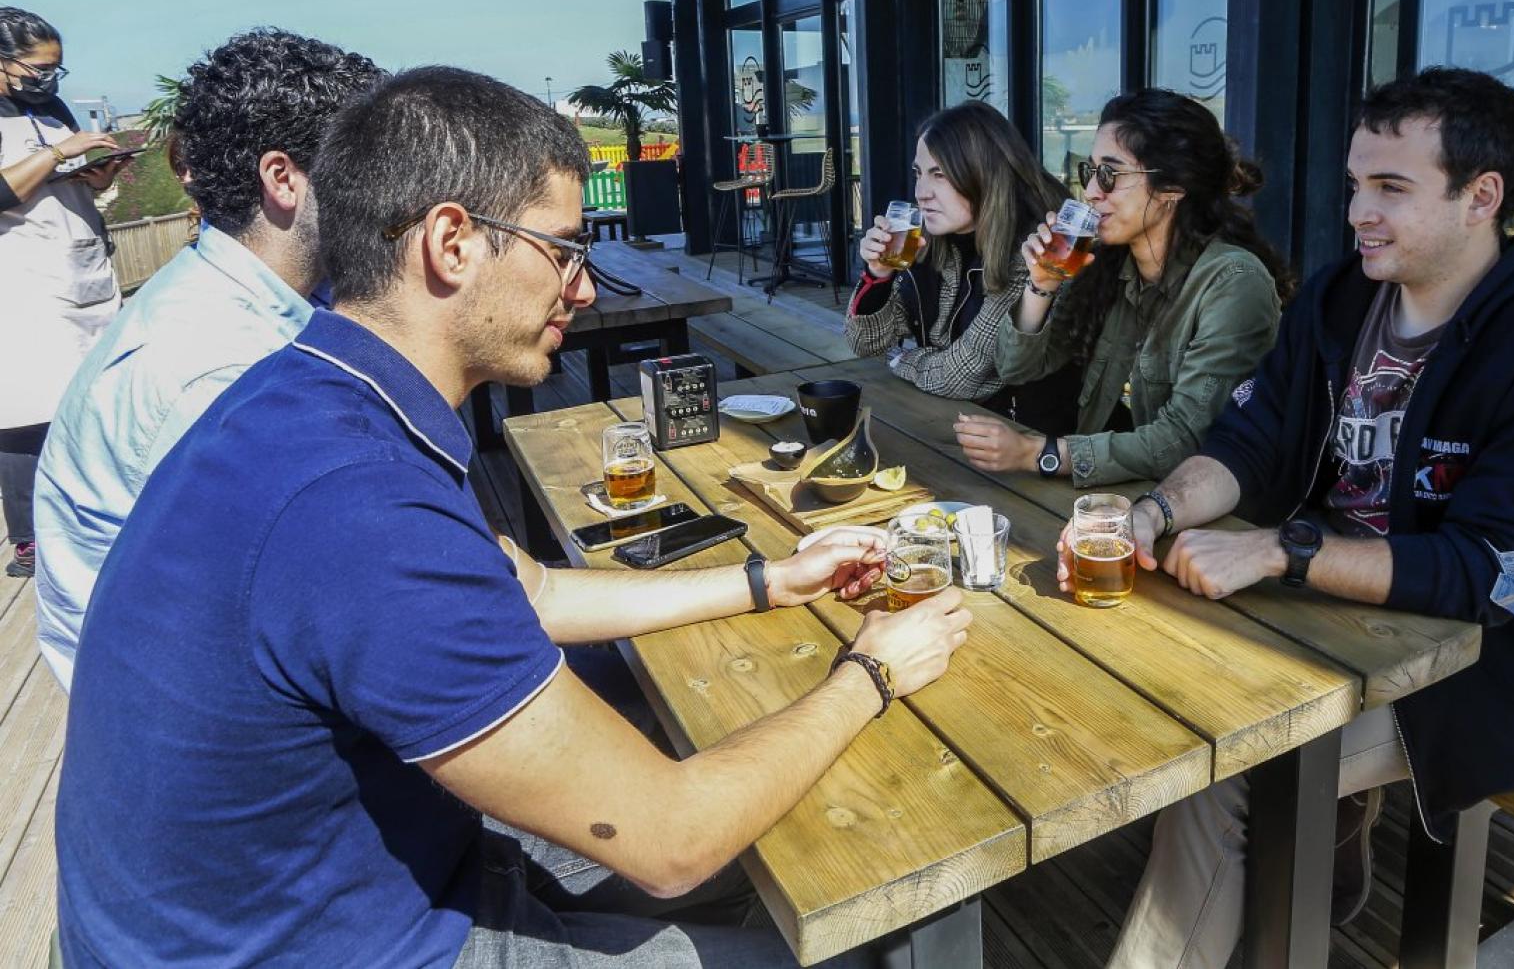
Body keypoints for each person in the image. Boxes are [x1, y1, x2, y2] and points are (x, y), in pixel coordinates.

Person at [57, 67, 971, 967]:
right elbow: (669, 839)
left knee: (791, 853)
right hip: (357, 941)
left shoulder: (320, 393)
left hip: (363, 881)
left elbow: (523, 589)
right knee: (862, 913)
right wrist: (870, 673)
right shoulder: (353, 500)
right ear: (451, 242)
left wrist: (768, 580)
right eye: (566, 250)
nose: (583, 287)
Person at [1097, 67, 1514, 964]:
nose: (1357, 213)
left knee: (1226, 765)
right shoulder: (1345, 299)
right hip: (1324, 607)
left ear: (1481, 196)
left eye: (1391, 188)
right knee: (1135, 672)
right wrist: (1156, 509)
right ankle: (1323, 856)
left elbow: (1495, 572)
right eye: (1355, 185)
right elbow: (1251, 439)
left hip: (1488, 668)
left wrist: (1280, 550)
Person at [33, 28, 383, 689]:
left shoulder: (225, 291)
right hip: (177, 707)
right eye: (369, 167)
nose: (391, 193)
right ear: (283, 178)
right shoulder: (220, 369)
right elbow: (322, 599)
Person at [964, 88, 1290, 487]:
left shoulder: (1233, 283)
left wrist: (1040, 453)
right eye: (1090, 172)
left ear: (1172, 189)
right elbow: (1017, 367)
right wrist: (1041, 286)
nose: (1092, 191)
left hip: (1196, 515)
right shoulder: (1109, 266)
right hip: (1108, 497)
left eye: (1110, 175)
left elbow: (1184, 440)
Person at [844, 101, 1079, 437]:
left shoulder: (1033, 251)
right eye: (918, 173)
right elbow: (863, 343)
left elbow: (960, 375)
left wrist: (900, 358)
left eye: (939, 174)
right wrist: (877, 275)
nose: (921, 193)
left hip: (1023, 442)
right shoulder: (926, 240)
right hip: (944, 421)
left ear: (983, 174)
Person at [0, 7, 126, 581]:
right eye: (37, 69)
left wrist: (94, 171)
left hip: (77, 265)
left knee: (89, 399)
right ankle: (29, 540)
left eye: (56, 69)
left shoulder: (49, 108)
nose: (47, 81)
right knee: (28, 411)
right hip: (21, 277)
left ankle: (90, 510)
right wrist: (58, 152)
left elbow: (60, 171)